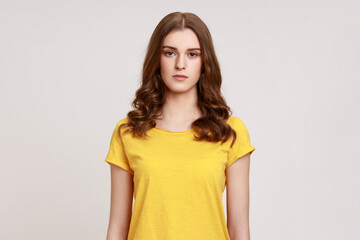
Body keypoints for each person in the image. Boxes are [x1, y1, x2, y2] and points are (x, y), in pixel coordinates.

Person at [104, 11, 255, 240]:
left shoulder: (230, 132)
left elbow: (239, 230)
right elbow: (117, 228)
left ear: (205, 62)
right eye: (170, 53)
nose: (180, 64)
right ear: (157, 58)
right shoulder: (128, 131)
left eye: (192, 54)